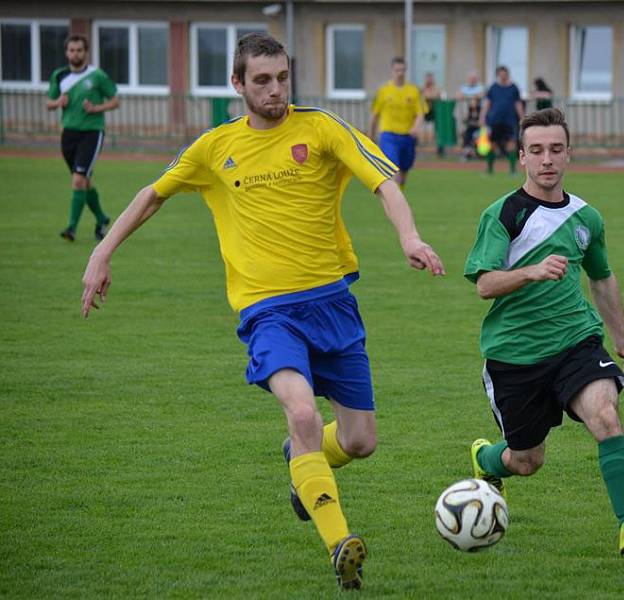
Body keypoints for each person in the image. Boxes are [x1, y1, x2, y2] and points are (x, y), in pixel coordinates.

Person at [81, 33, 445, 591]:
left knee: (359, 442)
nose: (276, 91)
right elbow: (153, 194)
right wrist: (102, 251)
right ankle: (339, 542)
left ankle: (301, 465)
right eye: (262, 81)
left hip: (332, 303)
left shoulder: (321, 127)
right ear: (237, 84)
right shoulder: (213, 148)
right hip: (267, 310)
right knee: (301, 414)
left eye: (282, 78)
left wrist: (409, 236)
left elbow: (384, 183)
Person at [463, 108, 624, 561]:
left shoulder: (587, 217)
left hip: (576, 342)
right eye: (536, 151)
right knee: (526, 461)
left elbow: (602, 278)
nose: (546, 160)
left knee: (605, 416)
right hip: (514, 355)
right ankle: (486, 460)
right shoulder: (504, 215)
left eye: (555, 150)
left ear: (568, 154)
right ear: (522, 159)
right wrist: (531, 272)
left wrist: (623, 341)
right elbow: (484, 284)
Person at [46, 33, 119, 242]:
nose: (75, 53)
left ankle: (71, 228)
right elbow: (49, 103)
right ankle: (102, 218)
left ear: (86, 52)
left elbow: (115, 101)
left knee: (78, 180)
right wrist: (58, 101)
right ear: (66, 52)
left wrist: (96, 108)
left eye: (79, 50)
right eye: (72, 50)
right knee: (84, 182)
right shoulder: (59, 76)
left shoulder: (97, 76)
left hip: (92, 133)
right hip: (68, 134)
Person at [369, 57, 426, 187]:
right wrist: (371, 139)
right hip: (389, 136)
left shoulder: (413, 90)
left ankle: (398, 201)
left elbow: (420, 113)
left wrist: (416, 127)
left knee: (404, 174)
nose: (400, 73)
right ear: (392, 71)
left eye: (402, 70)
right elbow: (374, 116)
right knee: (395, 173)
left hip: (408, 137)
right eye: (397, 70)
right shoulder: (383, 91)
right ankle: (395, 204)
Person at [479, 66, 524, 175]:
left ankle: (512, 170)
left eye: (505, 74)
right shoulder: (493, 87)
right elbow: (487, 103)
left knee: (511, 144)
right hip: (495, 120)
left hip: (509, 120)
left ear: (507, 74)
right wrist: (482, 116)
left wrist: (523, 117)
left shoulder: (513, 88)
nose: (503, 76)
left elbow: (518, 104)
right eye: (501, 74)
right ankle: (490, 170)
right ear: (498, 75)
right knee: (492, 144)